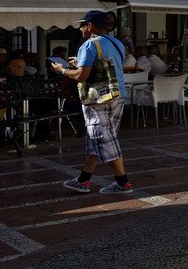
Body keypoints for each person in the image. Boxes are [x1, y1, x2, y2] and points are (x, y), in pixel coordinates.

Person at [53, 10, 134, 194]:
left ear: (89, 26)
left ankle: (123, 183)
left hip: (98, 98)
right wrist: (80, 62)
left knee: (104, 139)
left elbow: (83, 76)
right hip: (118, 94)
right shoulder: (118, 43)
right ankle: (83, 180)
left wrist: (63, 70)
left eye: (82, 25)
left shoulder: (89, 45)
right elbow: (108, 65)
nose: (80, 29)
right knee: (96, 138)